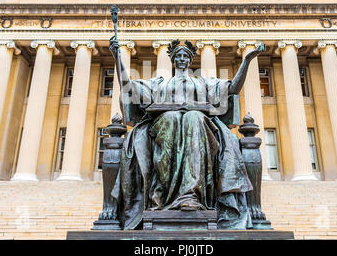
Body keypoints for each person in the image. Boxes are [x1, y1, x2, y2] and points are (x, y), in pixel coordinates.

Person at [109, 38, 265, 230]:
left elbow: (232, 88)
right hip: (165, 124)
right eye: (178, 56)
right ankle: (162, 195)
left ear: (190, 60)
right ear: (173, 60)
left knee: (193, 118)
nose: (182, 59)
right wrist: (117, 57)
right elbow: (129, 87)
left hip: (198, 125)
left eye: (185, 56)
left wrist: (247, 60)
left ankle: (191, 195)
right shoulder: (159, 84)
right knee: (172, 118)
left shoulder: (203, 84)